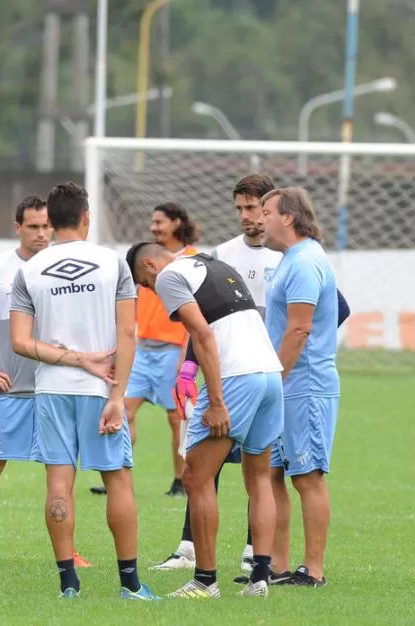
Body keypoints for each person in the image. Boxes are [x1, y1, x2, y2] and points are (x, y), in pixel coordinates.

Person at [8, 182, 158, 600]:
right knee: (118, 481)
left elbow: (21, 343)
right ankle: (129, 583)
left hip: (52, 391)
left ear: (51, 221)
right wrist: (117, 397)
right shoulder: (113, 263)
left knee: (59, 484)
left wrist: (72, 358)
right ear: (87, 217)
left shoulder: (30, 269)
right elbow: (128, 331)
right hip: (102, 391)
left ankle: (68, 583)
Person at [126, 242, 284, 598]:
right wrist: (188, 368)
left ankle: (205, 581)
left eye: (145, 283)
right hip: (269, 374)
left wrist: (215, 402)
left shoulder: (168, 276)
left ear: (150, 264)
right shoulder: (214, 265)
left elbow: (202, 333)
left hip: (235, 379)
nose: (152, 291)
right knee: (259, 478)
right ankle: (259, 579)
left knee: (196, 476)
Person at [153, 173, 281, 573]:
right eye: (240, 208)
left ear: (272, 208)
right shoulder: (221, 255)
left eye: (255, 207)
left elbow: (330, 312)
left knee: (258, 469)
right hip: (232, 369)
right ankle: (190, 546)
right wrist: (188, 366)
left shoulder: (288, 257)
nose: (247, 216)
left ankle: (247, 555)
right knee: (209, 460)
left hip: (257, 372)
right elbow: (202, 321)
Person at [0, 194, 89, 568]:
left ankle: (69, 550)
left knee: (60, 472)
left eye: (47, 226)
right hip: (10, 391)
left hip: (55, 388)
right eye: (33, 226)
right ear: (17, 227)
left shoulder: (64, 267)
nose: (42, 233)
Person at [260, 187, 340, 588]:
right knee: (273, 472)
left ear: (288, 217)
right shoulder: (289, 260)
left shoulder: (306, 262)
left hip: (304, 385)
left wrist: (274, 379)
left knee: (307, 476)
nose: (261, 219)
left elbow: (300, 328)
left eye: (266, 211)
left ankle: (313, 569)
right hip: (287, 383)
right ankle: (276, 564)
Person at [92, 203, 199, 497]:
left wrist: (185, 356)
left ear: (177, 223)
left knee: (176, 418)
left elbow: (196, 316)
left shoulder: (191, 261)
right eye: (152, 223)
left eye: (160, 222)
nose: (154, 228)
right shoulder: (145, 262)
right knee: (122, 409)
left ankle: (181, 481)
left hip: (173, 352)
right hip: (143, 350)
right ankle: (114, 471)